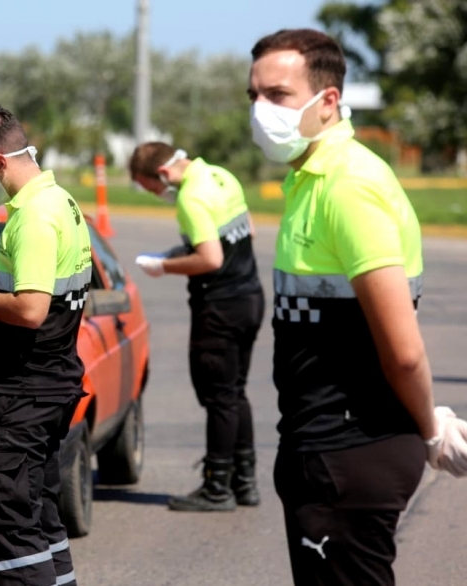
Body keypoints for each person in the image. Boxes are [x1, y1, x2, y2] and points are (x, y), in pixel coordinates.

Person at [247, 28, 467, 585]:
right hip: (326, 450)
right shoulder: (310, 179)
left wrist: (428, 428)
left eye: (277, 95)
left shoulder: (347, 186)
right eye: (253, 96)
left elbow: (403, 349)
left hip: (347, 453)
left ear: (328, 101)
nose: (260, 110)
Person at [0, 103, 91, 586]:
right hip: (47, 387)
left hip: (22, 397)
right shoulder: (62, 202)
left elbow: (29, 310)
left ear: (0, 161)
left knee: (13, 539)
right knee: (42, 522)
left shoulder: (35, 218)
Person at [129, 142, 265, 512]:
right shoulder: (220, 176)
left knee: (218, 397)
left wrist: (163, 266)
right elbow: (246, 232)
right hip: (250, 296)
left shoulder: (191, 197)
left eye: (150, 187)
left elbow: (210, 257)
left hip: (219, 307)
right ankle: (245, 482)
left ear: (161, 174)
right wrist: (178, 252)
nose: (155, 194)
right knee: (235, 393)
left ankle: (217, 488)